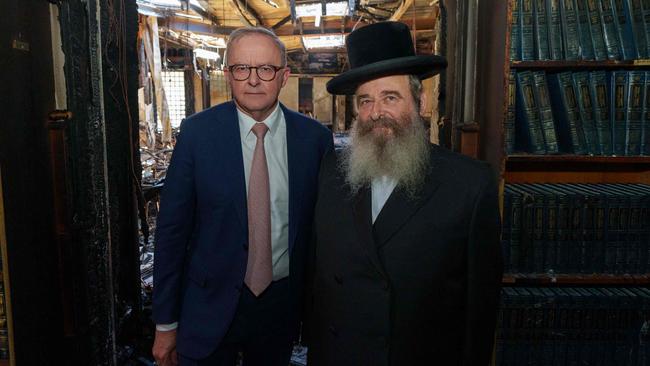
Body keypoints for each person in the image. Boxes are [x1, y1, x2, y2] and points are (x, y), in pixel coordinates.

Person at [305, 21, 503, 366]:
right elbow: (317, 283)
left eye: (390, 97)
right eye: (365, 100)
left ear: (420, 101)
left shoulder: (469, 185)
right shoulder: (330, 172)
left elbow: (480, 312)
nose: (376, 112)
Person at [151, 26, 333, 366]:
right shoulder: (197, 134)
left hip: (280, 308)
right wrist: (165, 323)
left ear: (283, 76)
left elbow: (322, 232)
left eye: (265, 69)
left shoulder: (314, 140)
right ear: (228, 75)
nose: (253, 80)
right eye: (241, 69)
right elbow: (171, 234)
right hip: (207, 303)